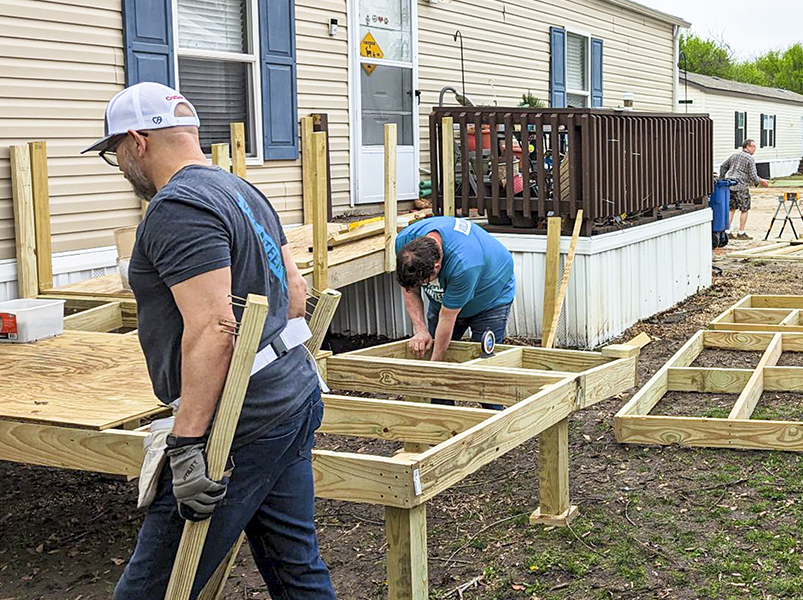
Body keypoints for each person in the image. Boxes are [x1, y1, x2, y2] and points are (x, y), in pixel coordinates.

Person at [83, 82, 337, 599]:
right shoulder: (241, 190)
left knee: (149, 589)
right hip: (291, 392)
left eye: (115, 153)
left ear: (138, 140)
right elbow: (294, 294)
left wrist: (187, 443)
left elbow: (216, 329)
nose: (121, 166)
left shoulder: (176, 207)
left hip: (241, 418)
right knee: (295, 566)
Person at [395, 216, 515, 408]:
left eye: (424, 281)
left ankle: (494, 424)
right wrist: (420, 330)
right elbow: (409, 288)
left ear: (437, 267)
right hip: (446, 299)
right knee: (432, 350)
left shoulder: (464, 263)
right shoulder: (405, 245)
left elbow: (447, 316)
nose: (422, 286)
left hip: (490, 296)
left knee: (484, 367)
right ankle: (444, 424)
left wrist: (435, 368)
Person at [718, 139, 770, 240]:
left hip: (730, 184)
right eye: (753, 146)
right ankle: (741, 233)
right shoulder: (750, 159)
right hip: (741, 187)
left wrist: (722, 178)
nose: (755, 148)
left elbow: (723, 166)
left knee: (731, 209)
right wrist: (761, 181)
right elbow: (753, 176)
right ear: (747, 146)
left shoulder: (734, 156)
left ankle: (727, 232)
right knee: (744, 209)